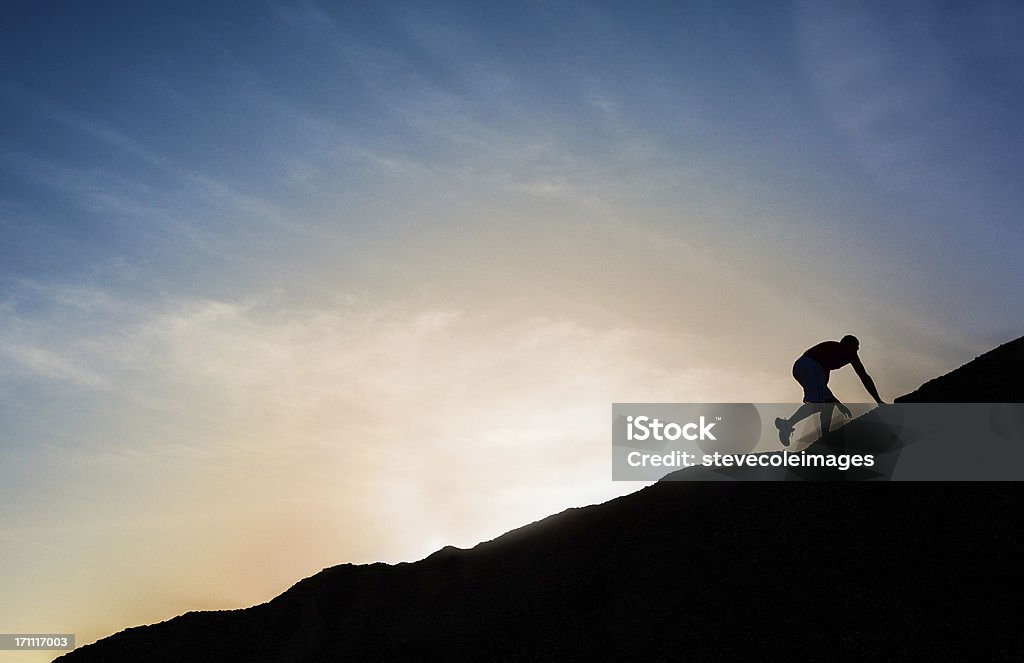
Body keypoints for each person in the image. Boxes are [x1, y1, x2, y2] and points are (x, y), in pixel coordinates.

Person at [774, 335, 885, 446]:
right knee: (819, 404)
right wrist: (878, 400)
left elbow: (827, 393)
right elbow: (864, 377)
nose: (856, 352)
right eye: (855, 348)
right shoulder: (840, 351)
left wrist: (839, 404)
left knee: (827, 403)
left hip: (801, 367)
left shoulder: (825, 363)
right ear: (848, 345)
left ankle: (824, 437)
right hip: (809, 364)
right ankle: (788, 424)